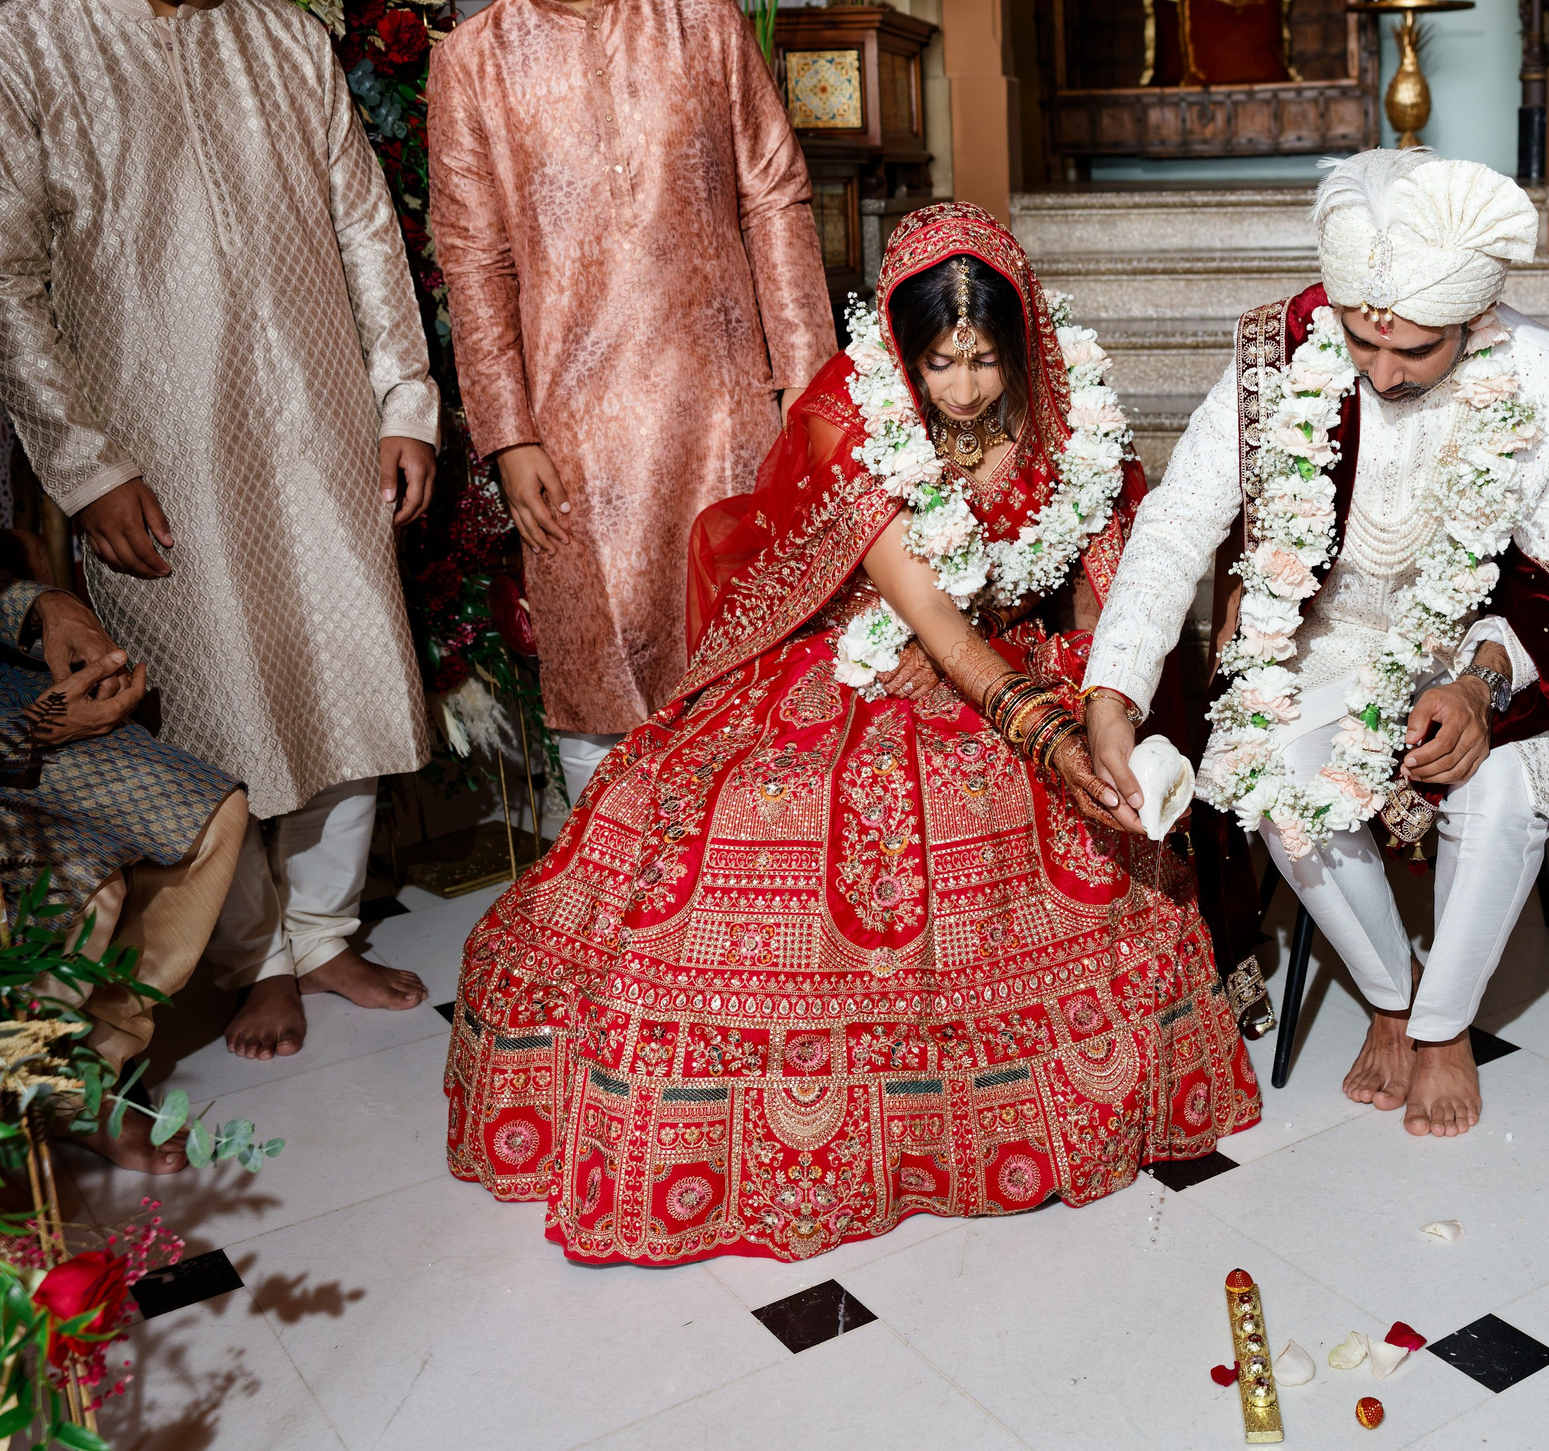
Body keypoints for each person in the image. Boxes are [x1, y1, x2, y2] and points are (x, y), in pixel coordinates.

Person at [445, 203, 1260, 1264]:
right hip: (872, 653)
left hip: (1016, 655)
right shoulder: (855, 416)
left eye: (984, 361)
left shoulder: (1071, 410)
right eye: (939, 364)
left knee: (1047, 814)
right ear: (901, 354)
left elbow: (1108, 594)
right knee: (756, 809)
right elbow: (938, 628)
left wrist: (1100, 707)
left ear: (1022, 344)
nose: (963, 390)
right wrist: (1052, 739)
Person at [0, 0, 439, 1062]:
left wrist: (403, 401)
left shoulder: (285, 38)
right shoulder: (10, 57)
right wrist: (86, 466)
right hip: (156, 450)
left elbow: (365, 231)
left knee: (344, 677)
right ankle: (252, 957)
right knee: (212, 702)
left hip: (320, 418)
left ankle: (324, 932)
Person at [1082, 149, 1549, 1140]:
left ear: (1473, 316)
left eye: (1414, 349)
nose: (1381, 371)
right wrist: (1113, 687)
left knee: (1501, 786)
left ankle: (1446, 1027)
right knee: (1273, 770)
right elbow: (1179, 517)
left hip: (1483, 645)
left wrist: (1480, 684)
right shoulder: (1277, 358)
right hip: (1324, 640)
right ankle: (1391, 997)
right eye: (1362, 340)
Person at [429, 0, 833, 806]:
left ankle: (753, 885)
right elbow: (474, 262)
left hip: (725, 406)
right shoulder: (471, 65)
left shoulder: (703, 20)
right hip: (573, 428)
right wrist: (508, 436)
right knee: (598, 674)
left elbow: (774, 198)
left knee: (752, 657)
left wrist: (806, 379)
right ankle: (612, 889)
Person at [0, 311, 245, 1174]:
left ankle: (91, 1076)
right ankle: (25, 1103)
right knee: (83, 885)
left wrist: (44, 606)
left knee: (211, 817)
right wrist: (40, 727)